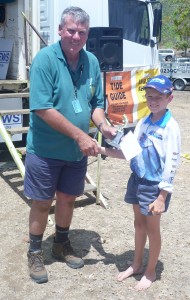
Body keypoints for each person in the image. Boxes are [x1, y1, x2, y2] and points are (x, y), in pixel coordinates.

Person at [24, 6, 116, 284]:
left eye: (82, 32)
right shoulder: (45, 60)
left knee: (67, 198)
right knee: (42, 203)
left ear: (87, 34)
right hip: (46, 149)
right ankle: (35, 251)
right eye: (71, 30)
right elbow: (42, 107)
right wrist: (79, 135)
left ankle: (61, 243)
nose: (76, 36)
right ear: (61, 30)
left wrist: (103, 126)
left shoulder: (91, 61)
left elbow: (96, 104)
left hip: (76, 152)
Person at [99, 74, 181, 291]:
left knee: (152, 229)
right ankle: (136, 264)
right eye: (149, 96)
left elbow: (172, 164)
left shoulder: (171, 127)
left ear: (169, 98)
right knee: (138, 224)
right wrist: (100, 150)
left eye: (159, 97)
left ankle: (151, 271)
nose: (153, 101)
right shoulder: (144, 122)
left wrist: (162, 196)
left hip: (154, 186)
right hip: (136, 181)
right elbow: (129, 153)